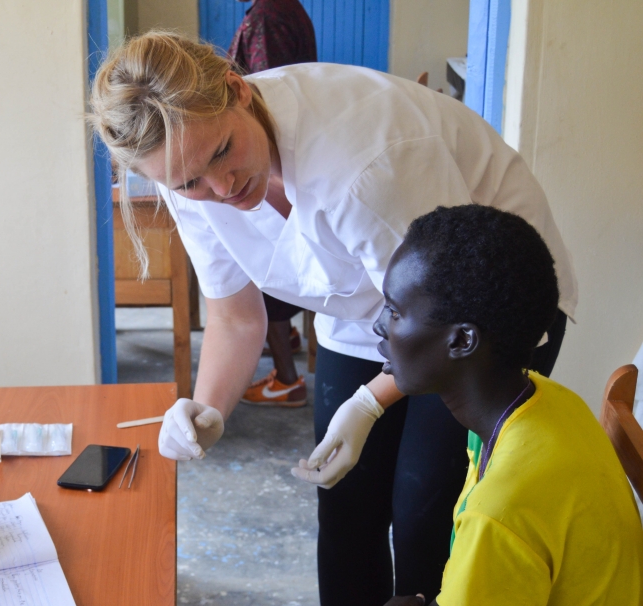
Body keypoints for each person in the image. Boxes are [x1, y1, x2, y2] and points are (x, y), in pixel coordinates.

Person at [88, 32, 577, 604]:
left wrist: (369, 403)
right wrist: (210, 408)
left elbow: (447, 316)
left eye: (222, 152)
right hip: (370, 304)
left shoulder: (367, 163)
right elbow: (236, 318)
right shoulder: (185, 164)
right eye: (189, 182)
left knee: (428, 515)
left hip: (485, 313)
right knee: (346, 505)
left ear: (236, 90)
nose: (220, 188)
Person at [379, 205, 642, 605]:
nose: (379, 325)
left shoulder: (499, 513)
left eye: (395, 312)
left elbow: (502, 523)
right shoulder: (547, 400)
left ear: (462, 341)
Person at [228, 0, 318, 407]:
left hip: (270, 156)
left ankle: (287, 379)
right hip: (280, 154)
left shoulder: (266, 15)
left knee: (269, 268)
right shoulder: (286, 7)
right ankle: (293, 343)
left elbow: (266, 90)